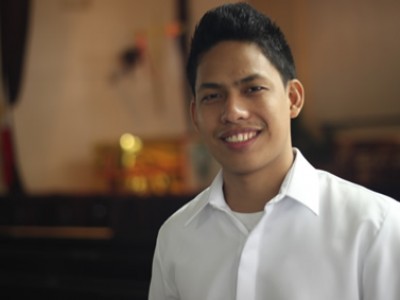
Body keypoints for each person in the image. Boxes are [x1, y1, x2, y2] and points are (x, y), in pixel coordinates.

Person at [148, 2, 400, 300]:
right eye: (213, 96)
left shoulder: (376, 226)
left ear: (293, 98)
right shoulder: (176, 236)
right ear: (195, 116)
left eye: (253, 89)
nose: (233, 111)